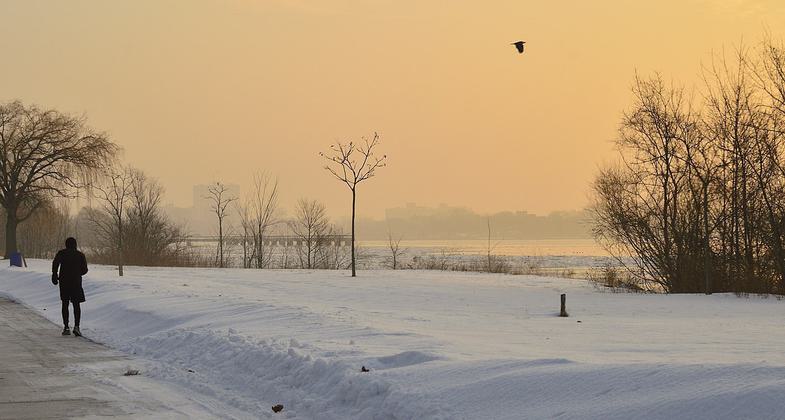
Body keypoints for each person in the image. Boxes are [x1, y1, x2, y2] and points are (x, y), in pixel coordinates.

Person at [52, 237, 88, 336]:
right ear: (75, 244)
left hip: (64, 282)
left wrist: (54, 275)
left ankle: (66, 327)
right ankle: (77, 327)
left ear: (66, 244)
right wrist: (77, 273)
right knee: (76, 304)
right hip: (76, 282)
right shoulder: (80, 255)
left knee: (65, 303)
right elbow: (85, 270)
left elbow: (55, 263)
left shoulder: (61, 253)